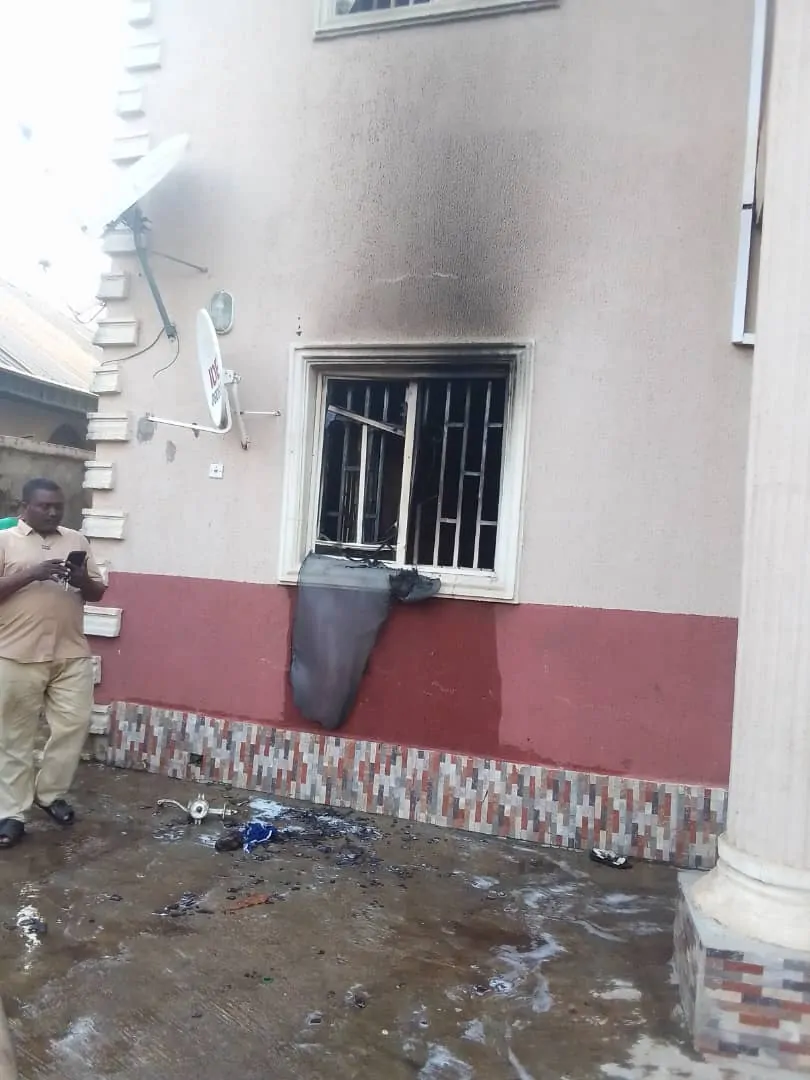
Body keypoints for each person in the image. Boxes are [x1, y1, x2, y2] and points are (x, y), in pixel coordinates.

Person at [0, 478, 106, 849]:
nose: (53, 512)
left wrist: (82, 579)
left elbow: (98, 591)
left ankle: (48, 794)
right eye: (44, 506)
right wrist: (32, 573)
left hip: (70, 652)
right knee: (14, 737)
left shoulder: (77, 540)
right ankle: (11, 813)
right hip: (16, 652)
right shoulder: (5, 540)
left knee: (75, 724)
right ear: (24, 506)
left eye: (58, 506)